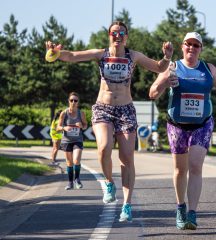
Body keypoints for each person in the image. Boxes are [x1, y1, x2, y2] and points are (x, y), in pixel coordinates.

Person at [46, 21, 173, 222]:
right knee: (104, 148)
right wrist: (55, 52)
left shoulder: (134, 56)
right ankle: (109, 183)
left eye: (122, 32)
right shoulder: (101, 54)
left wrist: (167, 56)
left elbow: (159, 67)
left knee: (126, 158)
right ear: (109, 35)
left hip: (125, 110)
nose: (118, 35)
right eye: (114, 32)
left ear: (127, 36)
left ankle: (127, 205)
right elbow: (73, 56)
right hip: (103, 108)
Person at [149, 32, 216, 230]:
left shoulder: (207, 68)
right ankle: (180, 207)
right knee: (180, 169)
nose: (192, 48)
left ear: (200, 49)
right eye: (189, 44)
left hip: (202, 124)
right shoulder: (173, 67)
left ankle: (193, 213)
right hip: (177, 125)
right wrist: (164, 82)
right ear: (182, 46)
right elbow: (152, 93)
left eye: (196, 45)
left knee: (195, 166)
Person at [57, 92, 87, 190]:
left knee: (76, 160)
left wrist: (81, 126)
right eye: (71, 100)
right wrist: (64, 128)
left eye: (75, 100)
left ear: (78, 102)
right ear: (68, 101)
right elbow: (58, 127)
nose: (73, 102)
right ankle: (70, 183)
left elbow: (86, 125)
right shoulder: (64, 113)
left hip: (78, 140)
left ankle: (77, 179)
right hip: (66, 141)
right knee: (69, 163)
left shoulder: (81, 113)